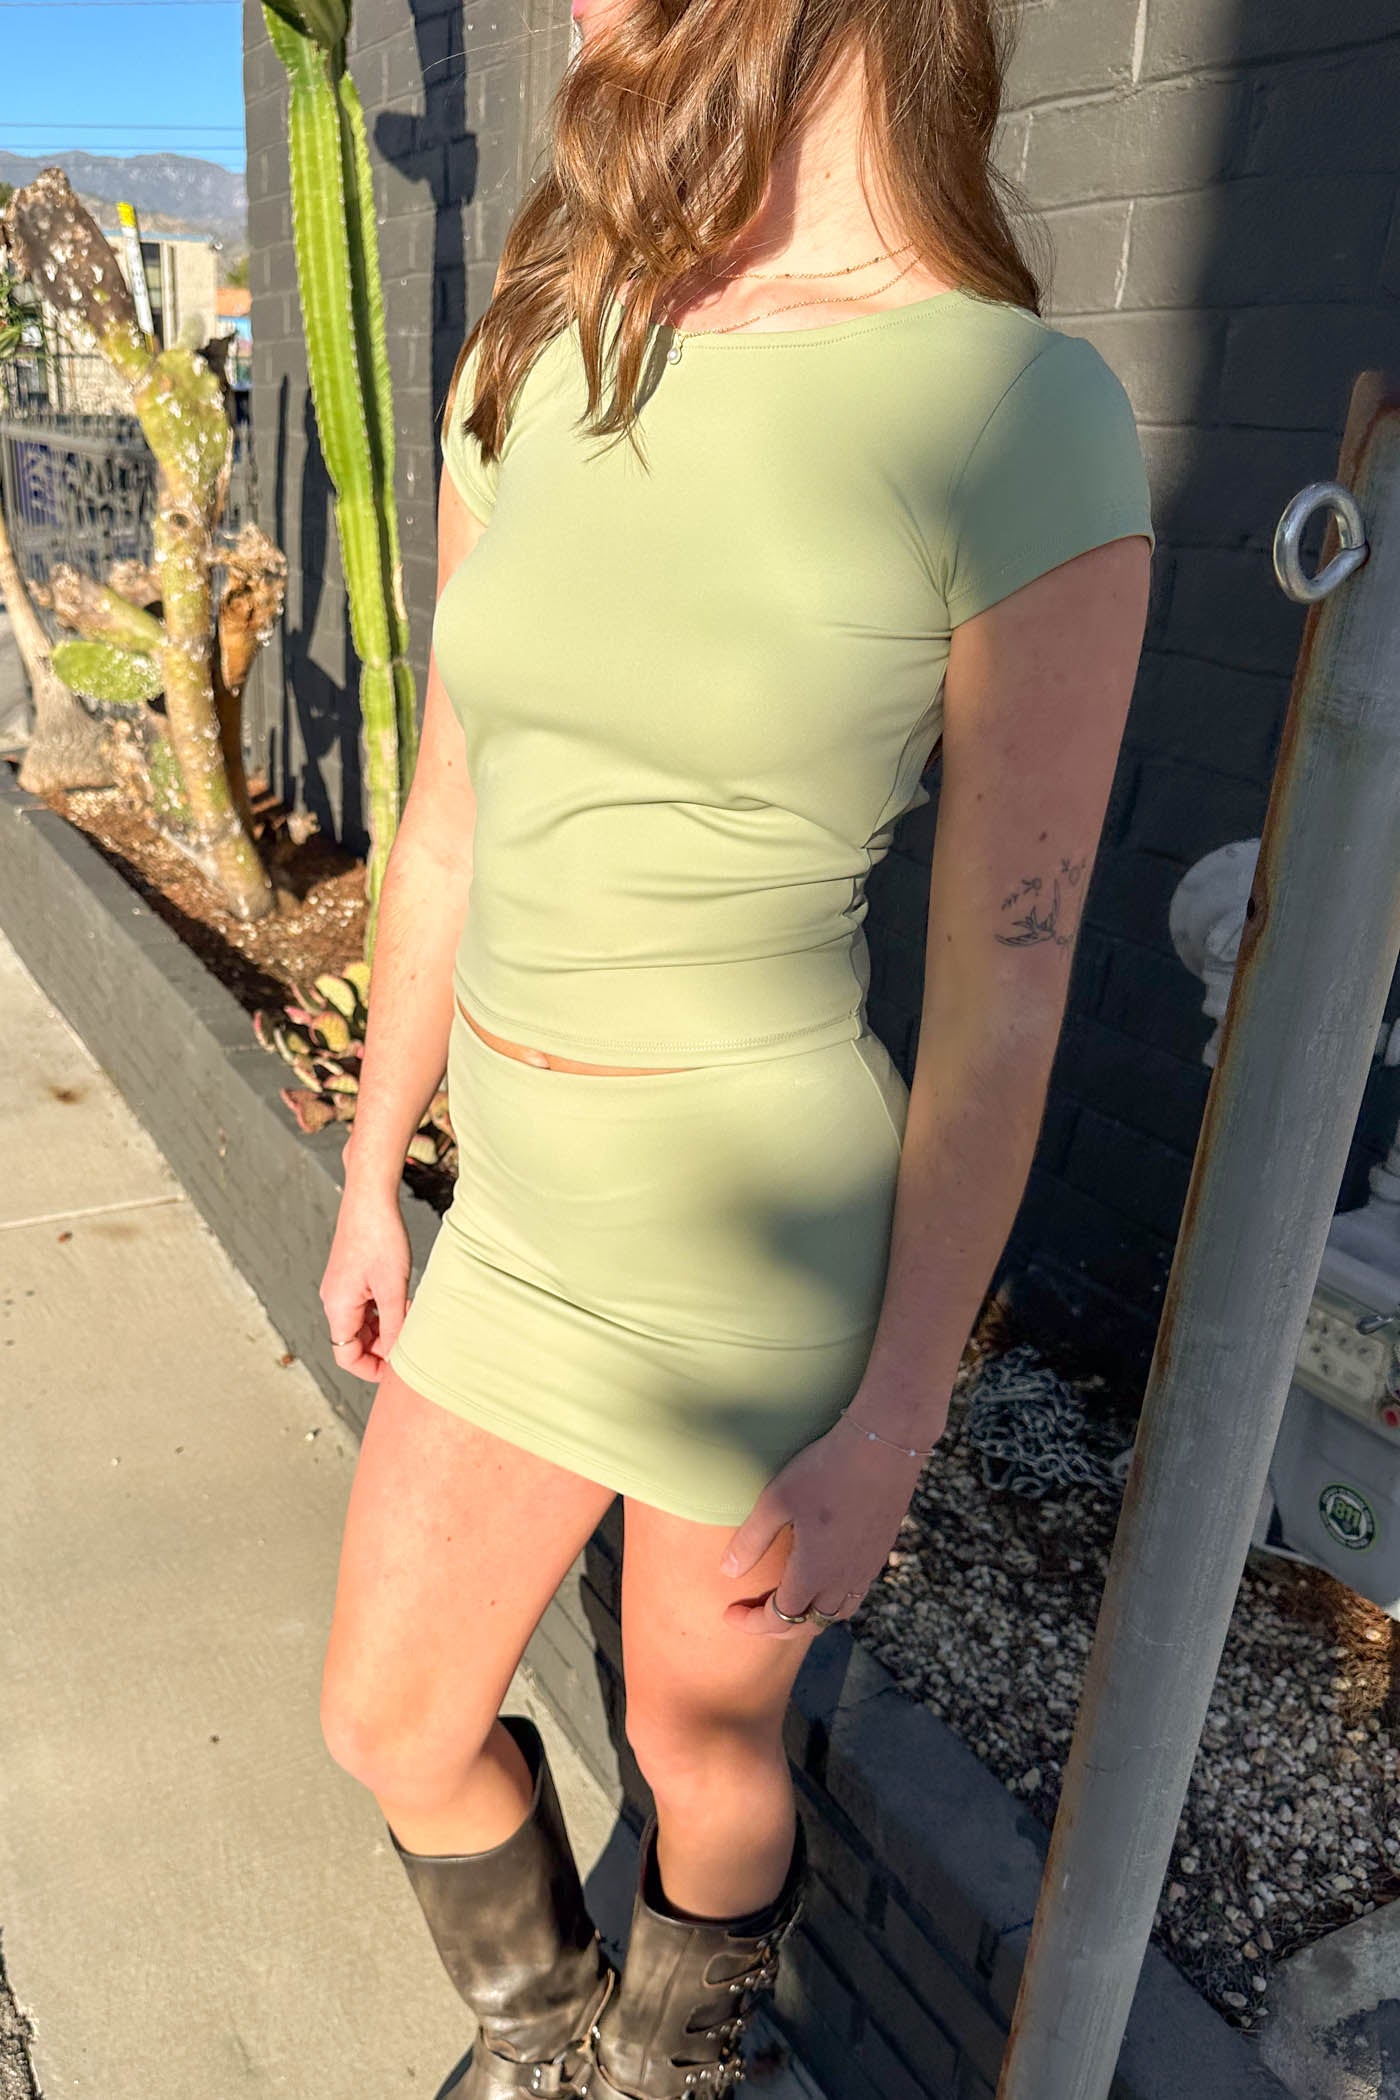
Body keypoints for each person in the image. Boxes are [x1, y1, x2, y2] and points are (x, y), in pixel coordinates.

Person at [316, 0, 1154, 2092]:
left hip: (749, 1245)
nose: (583, 12)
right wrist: (368, 1161)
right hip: (512, 1212)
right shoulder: (540, 352)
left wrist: (887, 1417)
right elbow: (448, 807)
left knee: (707, 1741)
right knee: (388, 1713)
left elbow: (1005, 984)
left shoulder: (1015, 409)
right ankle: (548, 2038)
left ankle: (675, 2065)